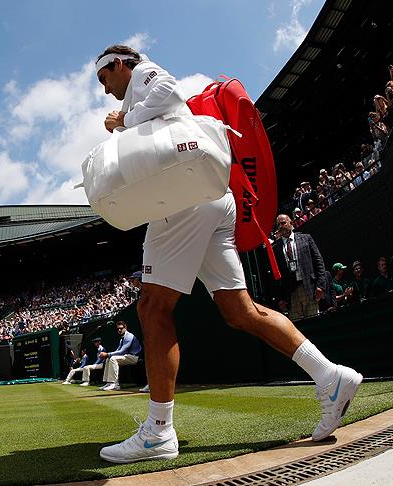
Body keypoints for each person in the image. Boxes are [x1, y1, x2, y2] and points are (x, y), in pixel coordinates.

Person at [93, 45, 361, 464]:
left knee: (152, 308)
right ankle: (330, 376)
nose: (105, 90)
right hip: (212, 197)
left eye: (104, 78)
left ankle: (158, 433)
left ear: (119, 64)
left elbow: (167, 89)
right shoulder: (134, 94)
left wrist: (124, 120)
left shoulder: (143, 75)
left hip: (184, 197)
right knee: (241, 311)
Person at [272, 215, 327, 320]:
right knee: (296, 326)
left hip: (308, 287)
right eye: (278, 224)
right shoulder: (275, 248)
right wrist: (280, 298)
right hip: (290, 293)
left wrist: (321, 286)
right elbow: (275, 276)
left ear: (291, 223)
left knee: (313, 320)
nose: (280, 226)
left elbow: (318, 262)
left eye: (283, 223)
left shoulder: (306, 238)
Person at [98, 321, 141, 391]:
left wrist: (107, 354)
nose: (119, 330)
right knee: (109, 359)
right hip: (127, 356)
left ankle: (115, 384)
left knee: (112, 358)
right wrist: (108, 355)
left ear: (125, 327)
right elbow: (117, 351)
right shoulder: (122, 339)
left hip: (135, 357)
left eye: (121, 328)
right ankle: (109, 383)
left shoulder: (129, 336)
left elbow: (122, 351)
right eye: (118, 329)